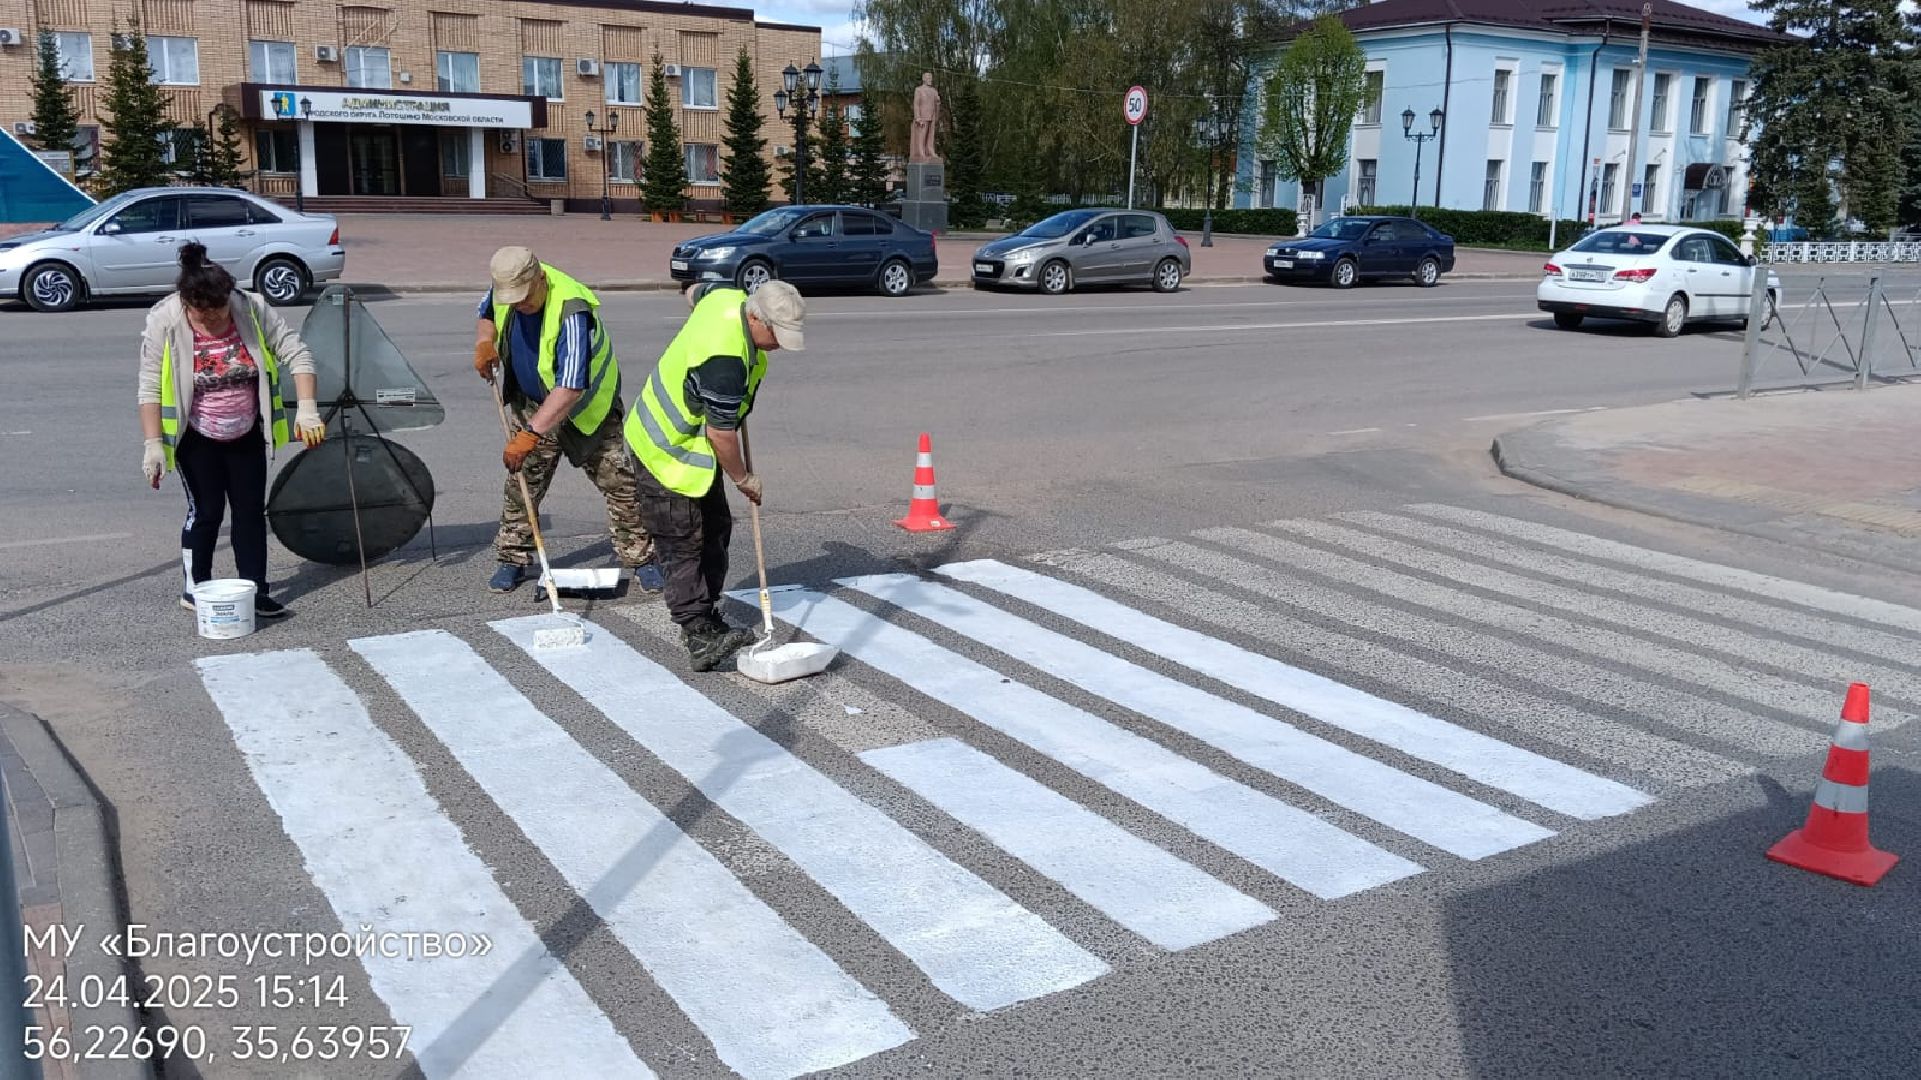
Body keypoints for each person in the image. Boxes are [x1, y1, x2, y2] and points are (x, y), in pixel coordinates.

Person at [625, 280, 806, 671]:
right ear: (755, 316)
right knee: (682, 540)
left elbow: (693, 292)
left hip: (694, 453)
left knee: (715, 527)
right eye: (775, 334)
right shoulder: (724, 361)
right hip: (664, 448)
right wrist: (744, 480)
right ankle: (697, 634)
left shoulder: (726, 297)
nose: (777, 344)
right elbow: (721, 435)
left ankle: (708, 615)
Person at [138, 242, 326, 617]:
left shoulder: (250, 308)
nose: (212, 321)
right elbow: (149, 386)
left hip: (246, 431)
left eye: (219, 312)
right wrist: (154, 443)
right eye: (202, 315)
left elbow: (297, 353)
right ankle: (196, 588)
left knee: (250, 513)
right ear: (187, 304)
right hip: (196, 436)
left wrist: (307, 409)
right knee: (207, 512)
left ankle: (254, 590)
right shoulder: (165, 319)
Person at [473, 246, 662, 593]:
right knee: (522, 485)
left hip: (588, 412)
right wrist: (486, 342)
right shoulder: (507, 285)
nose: (518, 305)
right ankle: (512, 557)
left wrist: (530, 434)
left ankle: (640, 557)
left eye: (525, 298)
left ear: (540, 279)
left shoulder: (571, 309)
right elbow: (487, 312)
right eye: (512, 300)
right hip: (534, 403)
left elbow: (571, 386)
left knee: (620, 485)